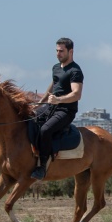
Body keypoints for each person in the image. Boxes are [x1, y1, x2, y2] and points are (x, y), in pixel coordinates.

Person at [31, 38, 84, 180]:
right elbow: (54, 84)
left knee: (45, 130)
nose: (58, 54)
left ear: (70, 51)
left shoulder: (75, 71)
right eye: (57, 51)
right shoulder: (56, 67)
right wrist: (40, 102)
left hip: (66, 111)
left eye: (61, 51)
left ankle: (42, 166)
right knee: (29, 118)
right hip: (51, 107)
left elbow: (77, 94)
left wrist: (58, 100)